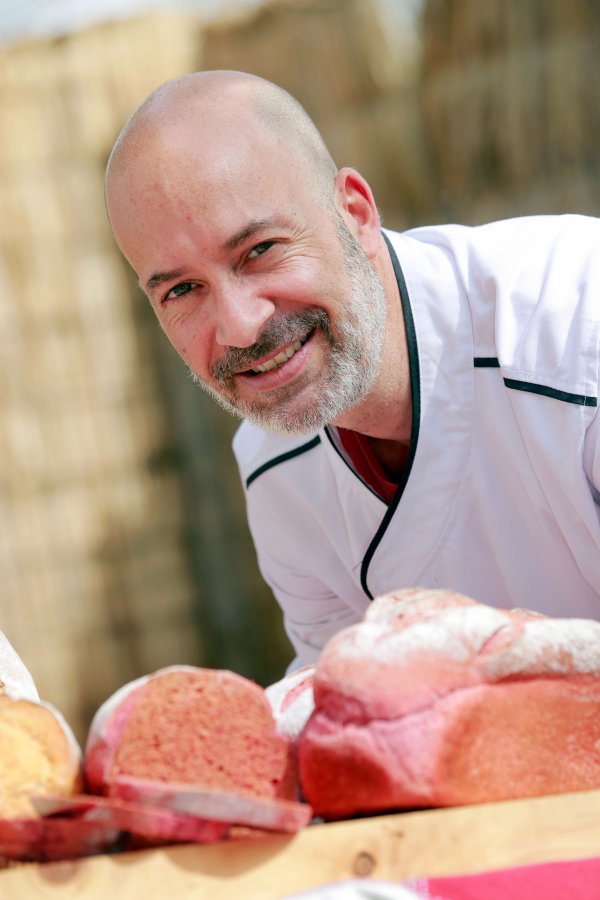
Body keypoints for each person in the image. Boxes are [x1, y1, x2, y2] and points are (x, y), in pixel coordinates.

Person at [105, 70, 600, 671]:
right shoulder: (275, 469)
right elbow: (343, 716)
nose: (240, 327)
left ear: (356, 213)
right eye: (183, 289)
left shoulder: (575, 330)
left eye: (260, 251)